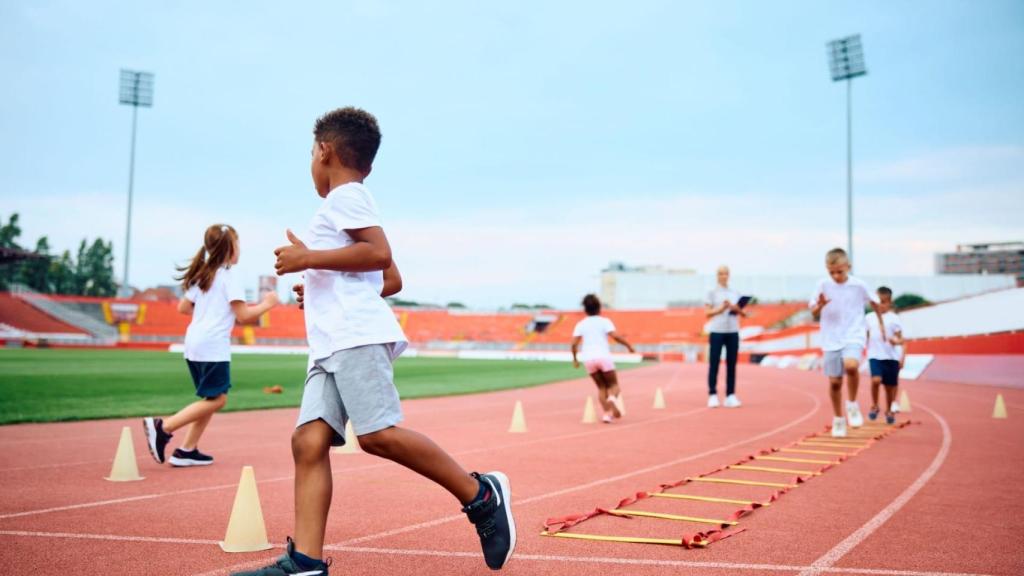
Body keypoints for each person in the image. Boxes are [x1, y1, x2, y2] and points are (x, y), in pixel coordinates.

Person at [235, 107, 514, 576]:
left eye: (311, 152)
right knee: (308, 441)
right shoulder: (343, 205)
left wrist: (308, 257)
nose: (310, 163)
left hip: (355, 336)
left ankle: (481, 496)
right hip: (330, 341)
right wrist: (319, 278)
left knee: (378, 436)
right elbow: (389, 279)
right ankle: (304, 563)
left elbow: (380, 255)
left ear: (324, 151)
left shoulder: (347, 197)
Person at [143, 224, 279, 467]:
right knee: (218, 400)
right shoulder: (229, 278)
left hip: (194, 343)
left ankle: (187, 449)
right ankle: (163, 427)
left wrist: (209, 311)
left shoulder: (205, 275)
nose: (240, 250)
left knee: (209, 398)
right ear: (230, 249)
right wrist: (268, 303)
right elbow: (245, 316)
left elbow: (183, 308)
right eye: (238, 245)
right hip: (212, 346)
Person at [809, 247, 885, 438]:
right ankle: (838, 419)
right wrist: (820, 305)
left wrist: (881, 325)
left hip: (854, 334)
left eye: (840, 271)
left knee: (851, 365)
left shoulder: (859, 285)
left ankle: (852, 404)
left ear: (848, 267)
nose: (835, 275)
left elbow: (875, 302)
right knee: (835, 382)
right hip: (831, 338)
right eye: (831, 272)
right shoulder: (823, 285)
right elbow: (813, 312)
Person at [572, 294, 636, 423]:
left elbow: (574, 344)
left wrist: (575, 358)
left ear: (585, 309)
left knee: (601, 388)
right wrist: (629, 346)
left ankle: (607, 414)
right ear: (599, 307)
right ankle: (612, 398)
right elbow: (616, 337)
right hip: (603, 356)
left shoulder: (581, 324)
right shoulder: (604, 321)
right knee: (613, 385)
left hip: (588, 359)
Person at [704, 265, 748, 408]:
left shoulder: (735, 292)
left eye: (726, 273)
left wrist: (736, 308)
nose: (723, 276)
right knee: (714, 363)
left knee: (732, 364)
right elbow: (707, 313)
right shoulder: (711, 292)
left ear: (729, 275)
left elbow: (743, 313)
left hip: (733, 331)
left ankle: (730, 395)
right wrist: (721, 308)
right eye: (720, 273)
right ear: (717, 275)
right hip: (717, 331)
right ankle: (712, 394)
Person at [866, 286, 905, 425]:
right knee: (876, 380)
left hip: (891, 357)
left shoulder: (894, 318)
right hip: (875, 355)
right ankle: (875, 405)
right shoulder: (869, 318)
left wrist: (896, 341)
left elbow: (901, 339)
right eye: (878, 302)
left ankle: (888, 410)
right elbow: (864, 336)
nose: (880, 305)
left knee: (890, 387)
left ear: (889, 302)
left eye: (884, 302)